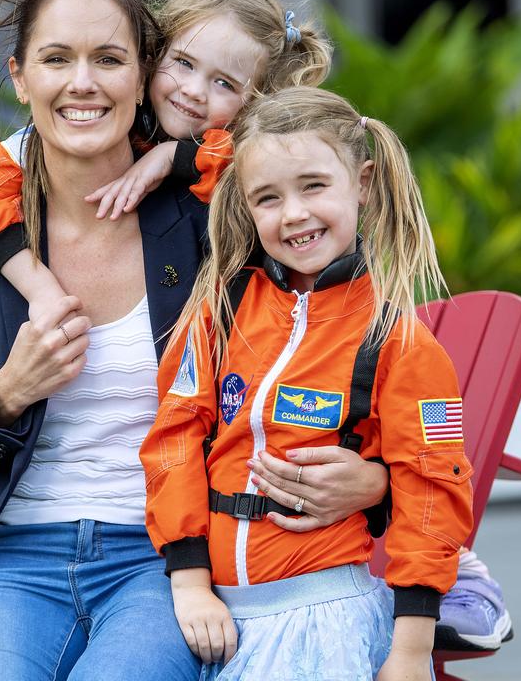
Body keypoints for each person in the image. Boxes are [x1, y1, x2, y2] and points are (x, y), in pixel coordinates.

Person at [0, 0, 387, 680]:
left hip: (166, 559)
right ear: (21, 78)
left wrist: (376, 480)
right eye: (57, 59)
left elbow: (341, 333)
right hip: (10, 555)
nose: (83, 84)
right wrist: (9, 393)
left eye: (109, 59)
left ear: (140, 72)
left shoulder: (219, 220)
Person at [140, 85, 475, 680]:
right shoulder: (220, 310)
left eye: (314, 186)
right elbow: (173, 438)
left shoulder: (398, 340)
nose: (293, 213)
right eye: (267, 197)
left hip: (319, 618)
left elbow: (433, 490)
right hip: (206, 613)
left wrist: (412, 651)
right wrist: (190, 581)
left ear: (364, 183)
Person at [0, 0, 330, 326]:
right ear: (154, 58)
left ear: (253, 102)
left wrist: (173, 157)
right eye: (183, 63)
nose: (195, 90)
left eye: (225, 84)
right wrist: (39, 288)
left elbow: (262, 164)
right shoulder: (73, 134)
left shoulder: (244, 152)